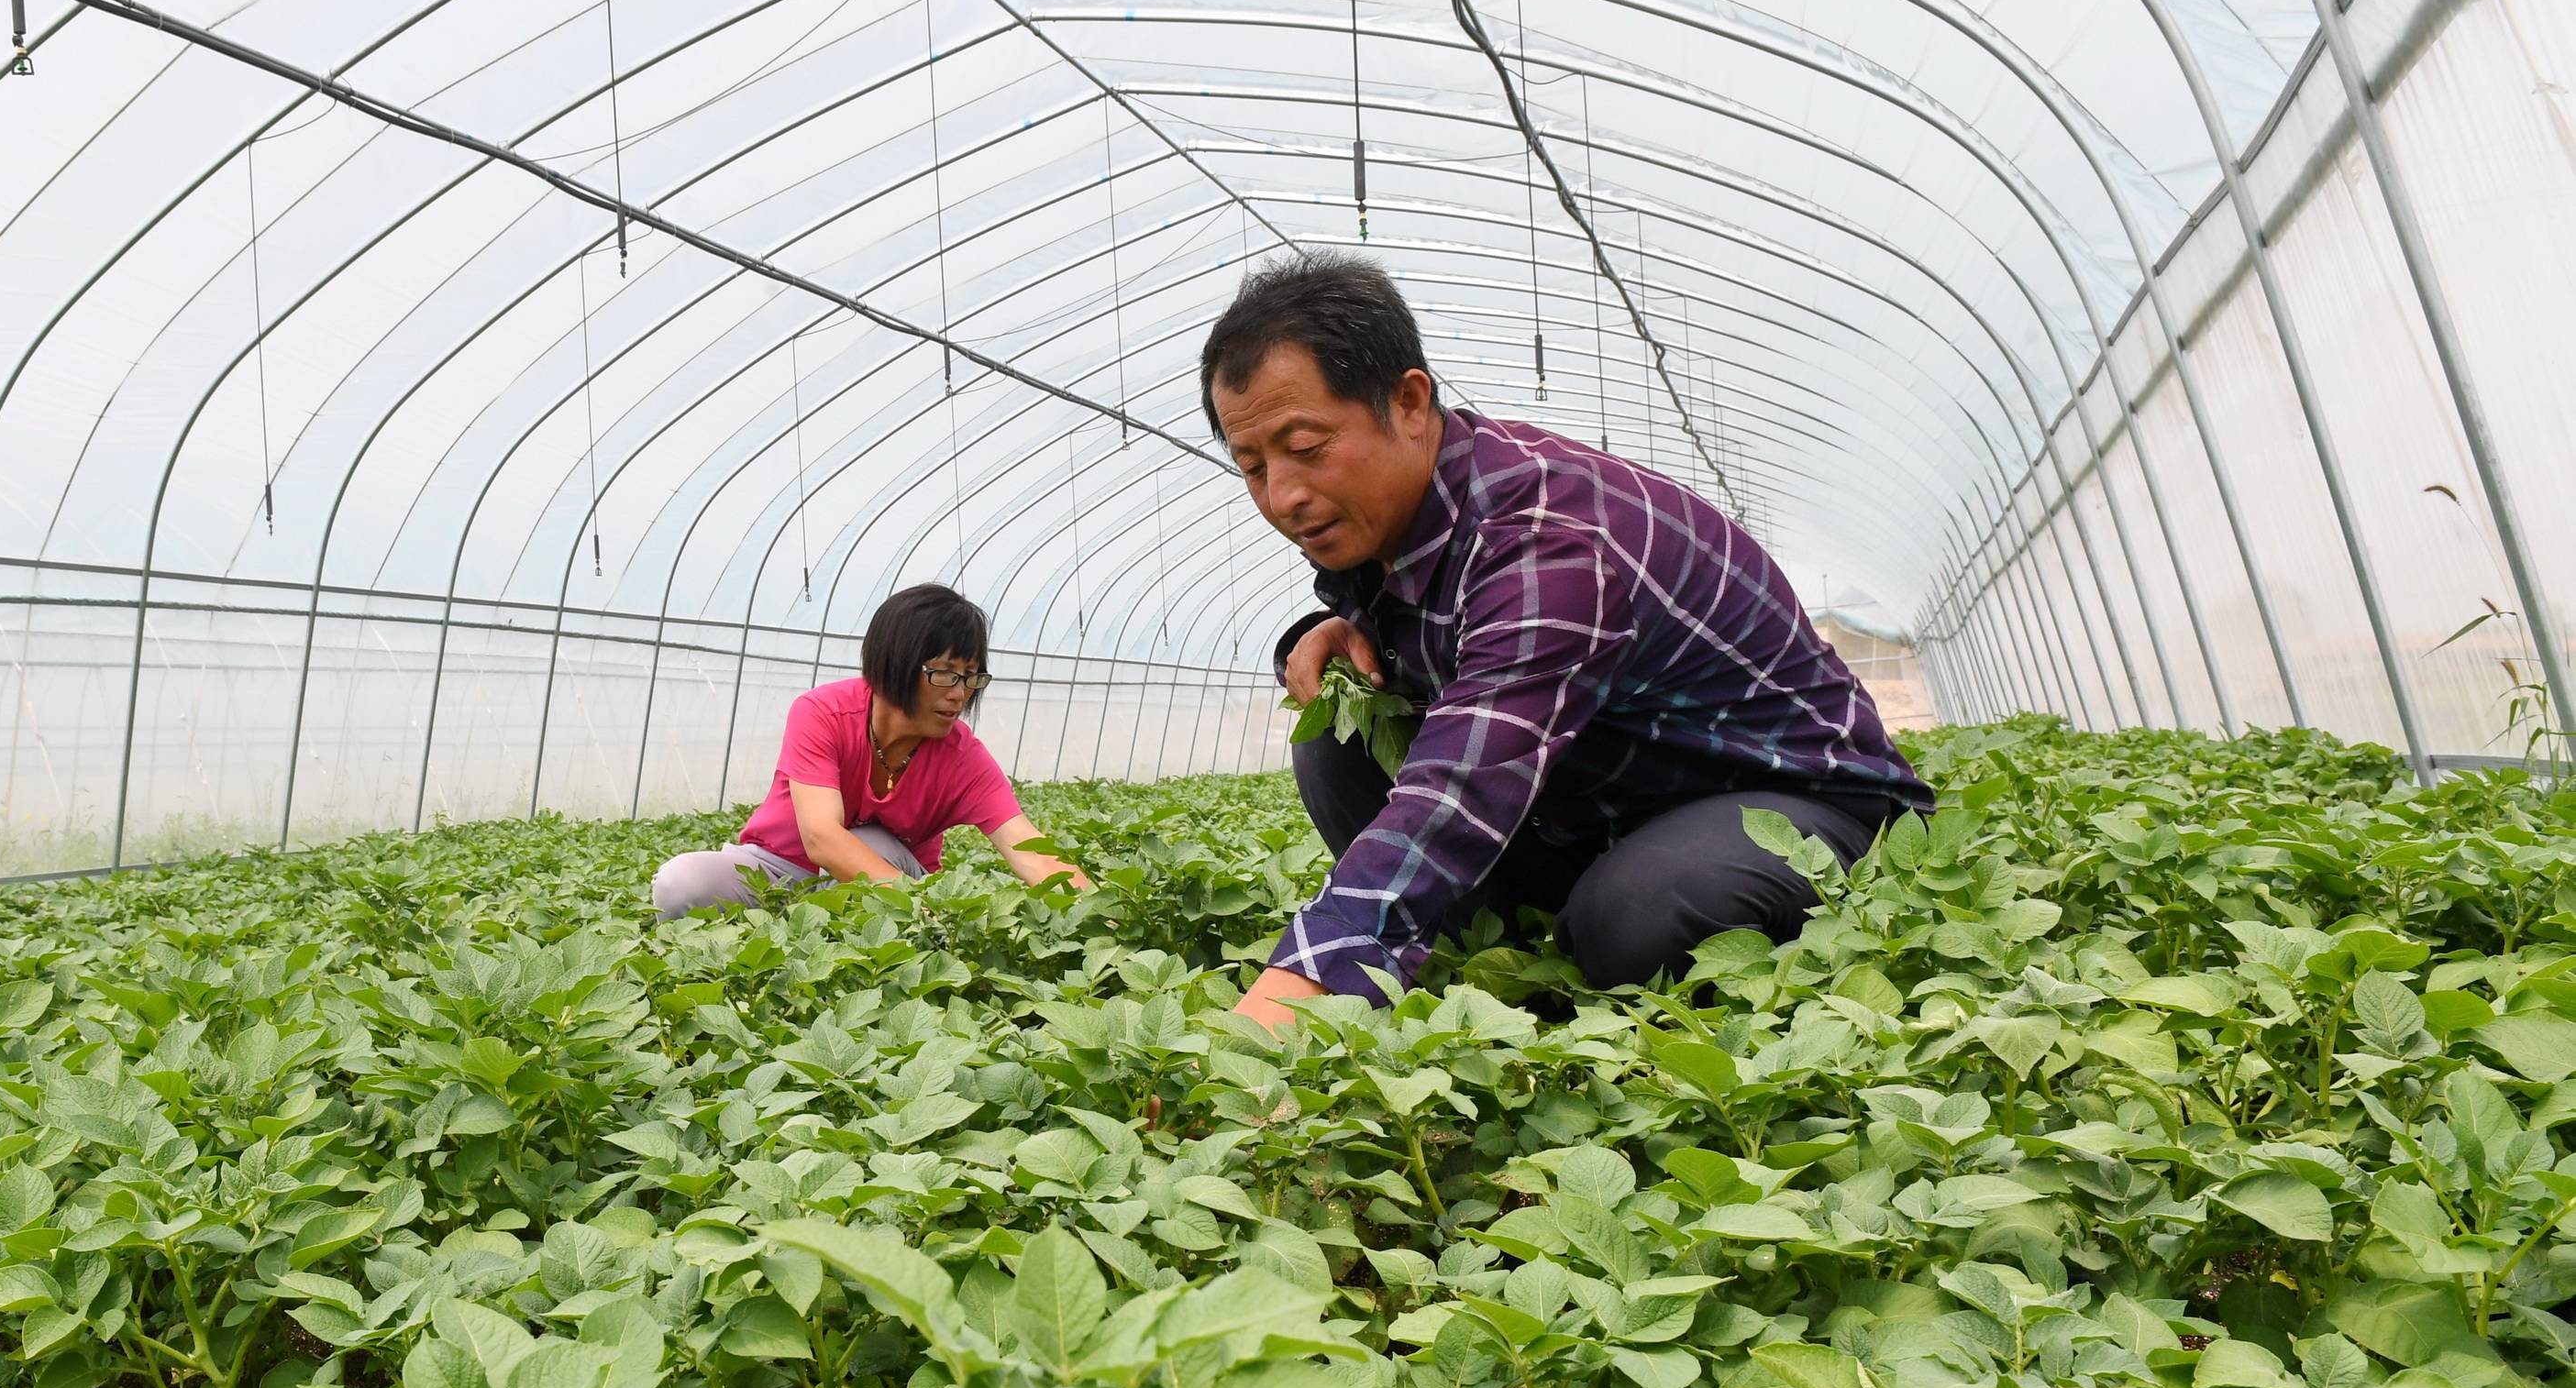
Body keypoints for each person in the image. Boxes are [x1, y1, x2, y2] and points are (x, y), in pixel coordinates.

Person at [1208, 254, 1930, 1032]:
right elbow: (1451, 643)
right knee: (1340, 735)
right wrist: (1344, 630)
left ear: (1408, 402)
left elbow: (1461, 784)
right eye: (1254, 467)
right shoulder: (1398, 521)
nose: (1283, 495)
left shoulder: (1547, 541)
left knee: (1629, 922)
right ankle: (1487, 952)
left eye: (1307, 446)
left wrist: (1287, 999)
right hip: (1610, 805)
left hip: (1801, 805)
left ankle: (1570, 930)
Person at [652, 583, 1086, 917]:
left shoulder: (963, 759)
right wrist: (923, 912)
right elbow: (821, 837)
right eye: (944, 673)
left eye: (971, 676)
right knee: (680, 883)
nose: (959, 693)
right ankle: (792, 929)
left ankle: (814, 940)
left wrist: (1100, 913)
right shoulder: (823, 713)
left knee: (871, 844)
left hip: (887, 883)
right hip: (779, 868)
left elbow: (1029, 849)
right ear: (895, 663)